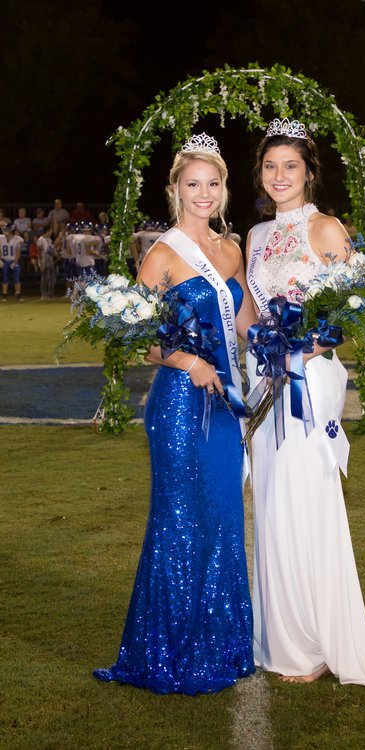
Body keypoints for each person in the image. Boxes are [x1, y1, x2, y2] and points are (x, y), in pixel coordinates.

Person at [245, 117, 365, 689]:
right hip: (263, 379)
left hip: (306, 381)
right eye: (271, 166)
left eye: (290, 166)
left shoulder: (326, 229)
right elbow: (250, 311)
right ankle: (282, 637)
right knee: (271, 503)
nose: (280, 176)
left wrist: (308, 346)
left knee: (306, 500)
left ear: (309, 171)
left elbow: (356, 305)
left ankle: (318, 641)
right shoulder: (253, 236)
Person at [94, 133, 257, 695]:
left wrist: (295, 336)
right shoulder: (161, 255)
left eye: (213, 183)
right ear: (175, 190)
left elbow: (244, 321)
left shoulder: (230, 249)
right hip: (181, 408)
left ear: (224, 189)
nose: (204, 193)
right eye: (193, 184)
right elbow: (139, 339)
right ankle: (168, 650)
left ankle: (223, 643)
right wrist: (189, 360)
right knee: (181, 523)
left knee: (223, 521)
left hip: (224, 410)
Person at [1, 224, 24, 302]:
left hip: (14, 260)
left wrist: (14, 262)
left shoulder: (18, 239)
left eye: (7, 229)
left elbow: (18, 252)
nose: (5, 231)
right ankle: (4, 295)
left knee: (16, 277)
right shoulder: (1, 238)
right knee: (4, 278)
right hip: (5, 260)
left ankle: (18, 294)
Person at [37, 225, 58, 299]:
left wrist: (56, 255)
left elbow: (51, 249)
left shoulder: (49, 239)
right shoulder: (41, 239)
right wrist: (40, 261)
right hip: (44, 260)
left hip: (50, 260)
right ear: (47, 231)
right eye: (50, 230)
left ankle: (50, 294)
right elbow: (39, 251)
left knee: (52, 278)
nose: (51, 232)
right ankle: (43, 294)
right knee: (44, 278)